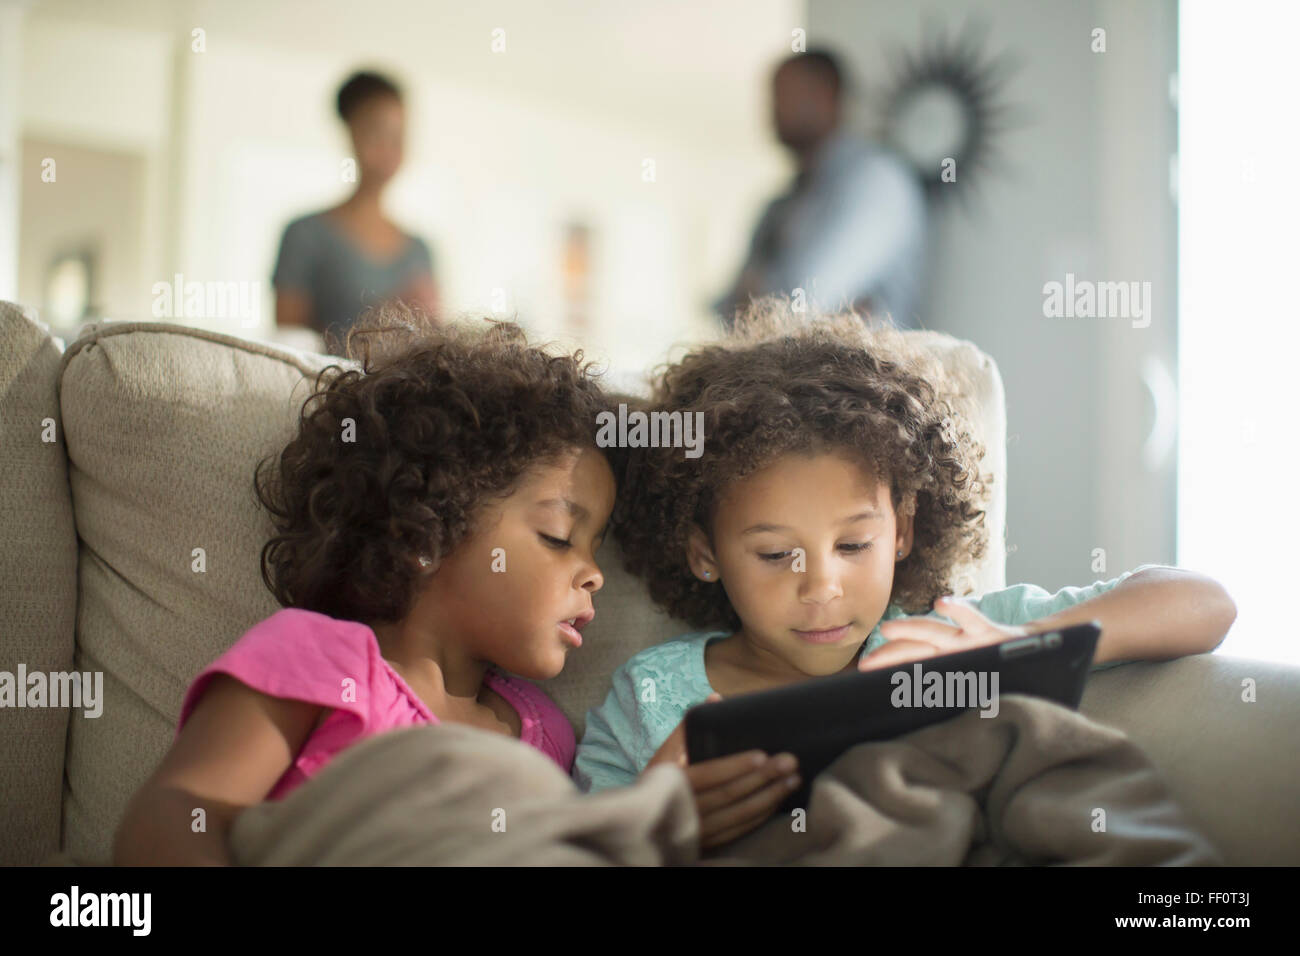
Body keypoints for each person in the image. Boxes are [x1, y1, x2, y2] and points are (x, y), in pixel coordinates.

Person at [573, 296, 1236, 850]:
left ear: (905, 531)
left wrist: (1015, 644)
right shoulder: (650, 698)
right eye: (777, 556)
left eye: (855, 544)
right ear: (703, 553)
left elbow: (1204, 603)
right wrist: (655, 822)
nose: (822, 587)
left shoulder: (948, 635)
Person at [112, 308, 621, 865]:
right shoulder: (318, 661)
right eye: (558, 536)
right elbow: (177, 815)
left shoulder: (546, 735)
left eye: (596, 547)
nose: (593, 573)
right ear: (425, 532)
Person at [715, 49, 928, 329]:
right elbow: (727, 313)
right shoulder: (781, 204)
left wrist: (758, 295)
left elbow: (801, 301)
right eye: (773, 97)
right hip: (778, 370)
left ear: (828, 95)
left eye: (787, 94)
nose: (774, 109)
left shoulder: (875, 179)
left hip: (858, 372)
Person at [273, 71, 438, 355]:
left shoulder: (420, 249)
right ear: (351, 132)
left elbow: (432, 351)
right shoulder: (305, 234)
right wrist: (382, 319)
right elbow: (289, 348)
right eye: (378, 133)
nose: (390, 149)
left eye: (398, 136)